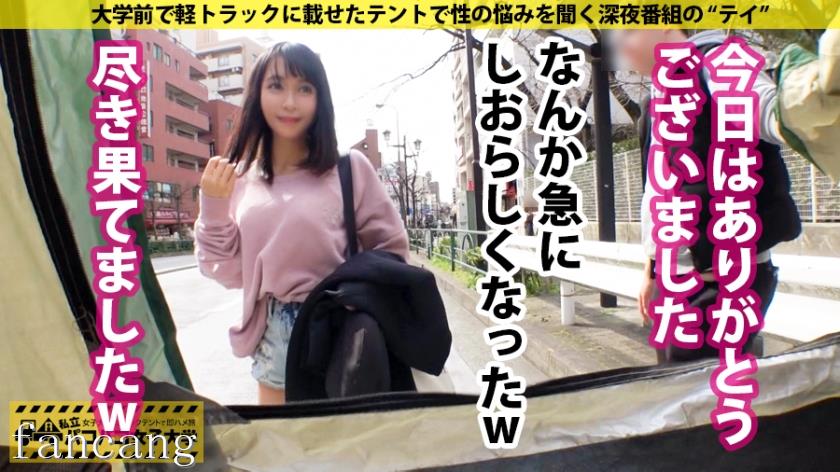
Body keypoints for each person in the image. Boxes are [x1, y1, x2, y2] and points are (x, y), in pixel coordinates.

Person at [193, 42, 409, 405]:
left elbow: (391, 251)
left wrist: (350, 303)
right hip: (276, 331)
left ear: (319, 98)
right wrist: (214, 206)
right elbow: (228, 272)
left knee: (353, 438)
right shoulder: (240, 179)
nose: (290, 102)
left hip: (345, 327)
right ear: (258, 94)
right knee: (281, 439)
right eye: (276, 86)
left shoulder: (349, 168)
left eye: (304, 88)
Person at [615, 29, 801, 362]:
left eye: (629, 30)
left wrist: (804, 106)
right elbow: (656, 194)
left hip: (721, 283)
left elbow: (776, 113)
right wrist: (651, 271)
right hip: (676, 279)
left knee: (699, 388)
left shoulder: (717, 63)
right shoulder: (656, 99)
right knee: (681, 385)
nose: (621, 44)